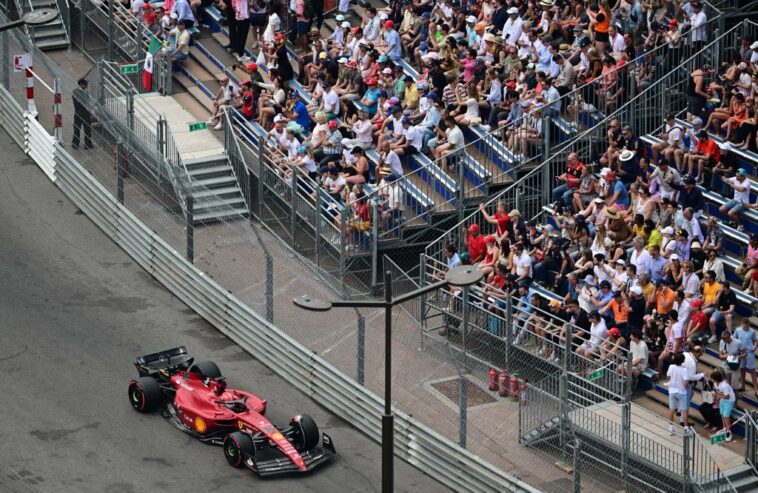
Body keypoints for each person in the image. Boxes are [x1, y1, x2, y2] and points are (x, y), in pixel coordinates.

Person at [667, 352, 690, 435]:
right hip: (682, 392)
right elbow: (686, 382)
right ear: (682, 361)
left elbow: (668, 377)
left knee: (671, 409)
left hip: (672, 390)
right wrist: (686, 388)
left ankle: (670, 427)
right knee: (684, 410)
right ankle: (686, 428)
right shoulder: (684, 370)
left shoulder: (671, 367)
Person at [733, 319, 758, 394]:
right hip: (741, 353)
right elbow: (734, 339)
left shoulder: (752, 331)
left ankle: (756, 389)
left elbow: (755, 340)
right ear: (742, 324)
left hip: (749, 352)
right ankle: (743, 386)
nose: (746, 328)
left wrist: (755, 347)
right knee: (742, 369)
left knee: (752, 370)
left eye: (747, 327)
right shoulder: (738, 330)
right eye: (744, 326)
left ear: (749, 325)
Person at [712, 368, 736, 442]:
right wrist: (716, 394)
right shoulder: (715, 384)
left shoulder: (724, 386)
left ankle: (729, 433)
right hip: (723, 400)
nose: (711, 379)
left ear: (716, 379)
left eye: (712, 378)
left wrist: (717, 395)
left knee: (726, 416)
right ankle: (724, 429)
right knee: (722, 414)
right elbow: (719, 393)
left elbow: (727, 396)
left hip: (729, 401)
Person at [72, 78, 93, 150]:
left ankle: (86, 144)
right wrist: (87, 109)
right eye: (85, 84)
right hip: (80, 113)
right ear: (81, 85)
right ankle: (77, 144)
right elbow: (79, 103)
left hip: (83, 113)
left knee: (86, 129)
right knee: (78, 129)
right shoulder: (76, 92)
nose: (87, 85)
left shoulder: (85, 91)